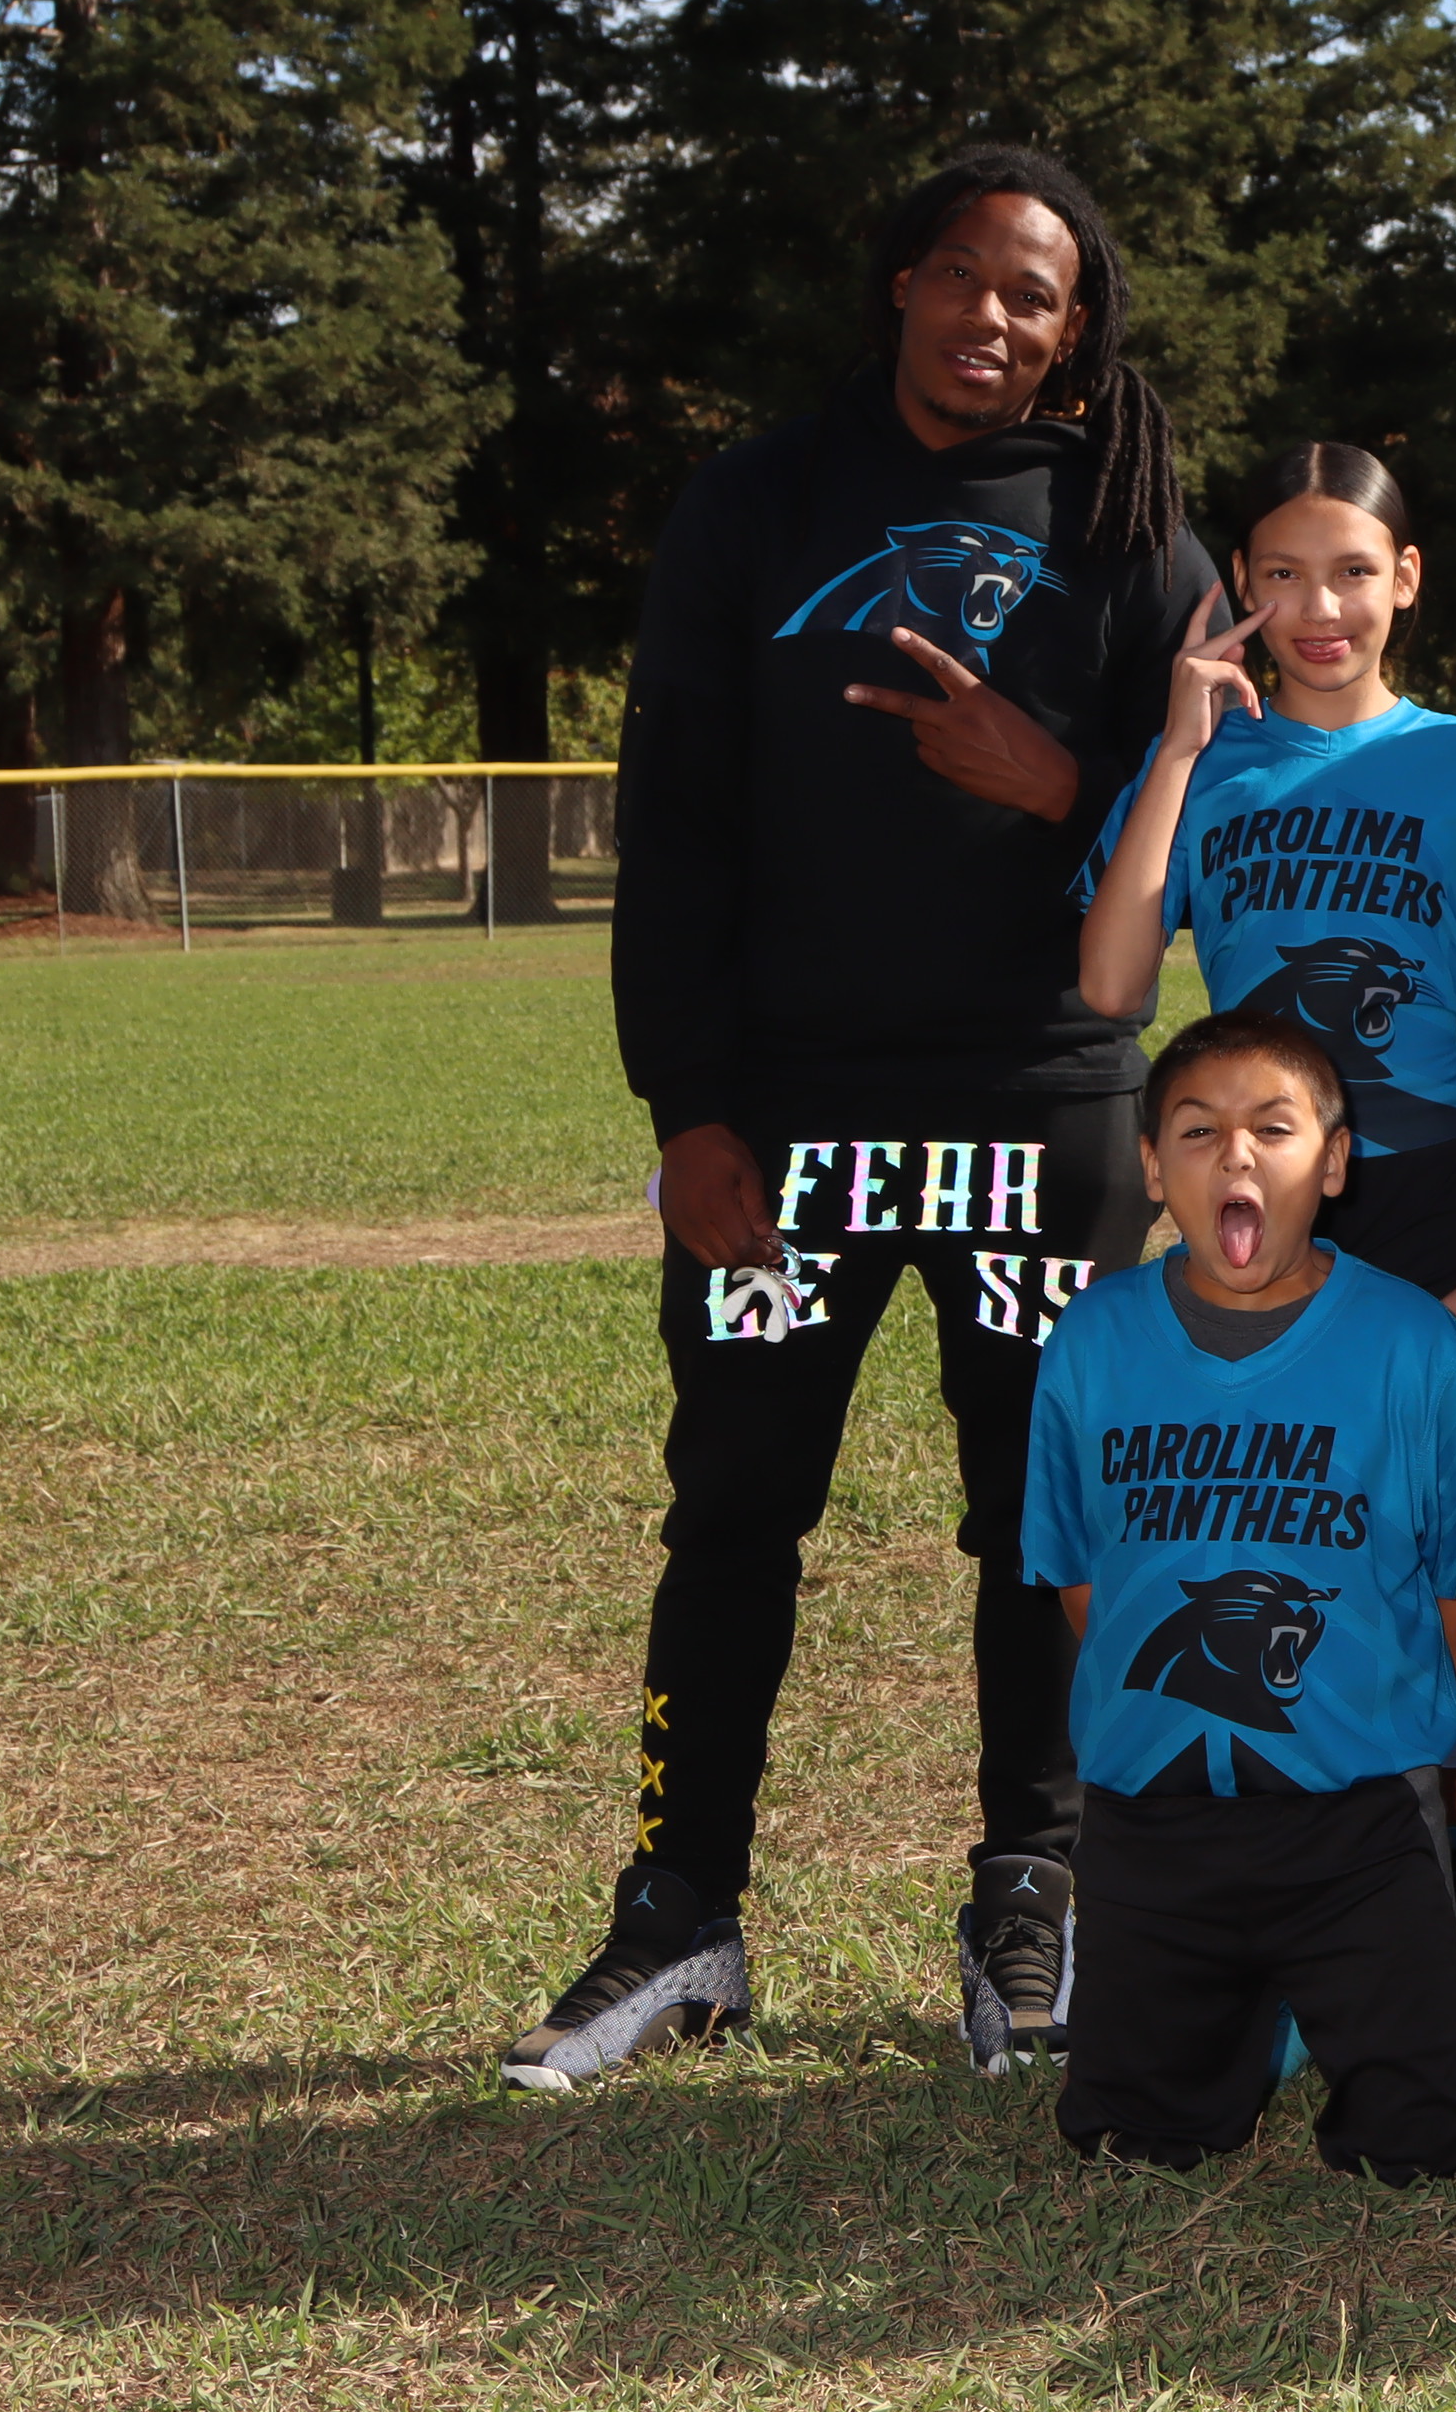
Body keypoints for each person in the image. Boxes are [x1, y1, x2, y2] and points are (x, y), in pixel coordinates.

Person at [517, 145, 1221, 2093]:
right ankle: (683, 1913)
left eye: (1036, 297)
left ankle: (1033, 1897)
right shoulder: (758, 500)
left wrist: (1053, 779)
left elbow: (1211, 832)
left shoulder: (1134, 533)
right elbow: (674, 821)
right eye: (966, 276)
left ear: (1076, 330)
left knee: (1043, 1518)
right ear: (902, 279)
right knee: (737, 1506)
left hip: (1040, 1117)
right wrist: (691, 1108)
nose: (994, 319)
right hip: (792, 1128)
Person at [1072, 441, 1456, 1907]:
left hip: (1420, 1201)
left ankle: (1418, 1901)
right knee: (1267, 1531)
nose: (1318, 607)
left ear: (1404, 579)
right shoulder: (1206, 765)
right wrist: (1177, 747)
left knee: (1434, 1559)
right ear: (1238, 585)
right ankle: (1258, 1883)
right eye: (1282, 574)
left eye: (1352, 571)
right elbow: (1112, 981)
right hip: (1256, 1204)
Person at [1014, 1009, 1456, 2181]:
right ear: (1153, 1166)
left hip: (1354, 1815)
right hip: (1152, 1816)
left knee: (1423, 2142)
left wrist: (1363, 1710)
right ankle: (1257, 2010)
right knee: (1135, 2139)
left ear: (1334, 1162)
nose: (1235, 1155)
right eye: (1198, 1131)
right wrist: (1183, 1704)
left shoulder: (1417, 1347)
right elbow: (1084, 1577)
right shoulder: (1093, 1340)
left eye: (1273, 1128)